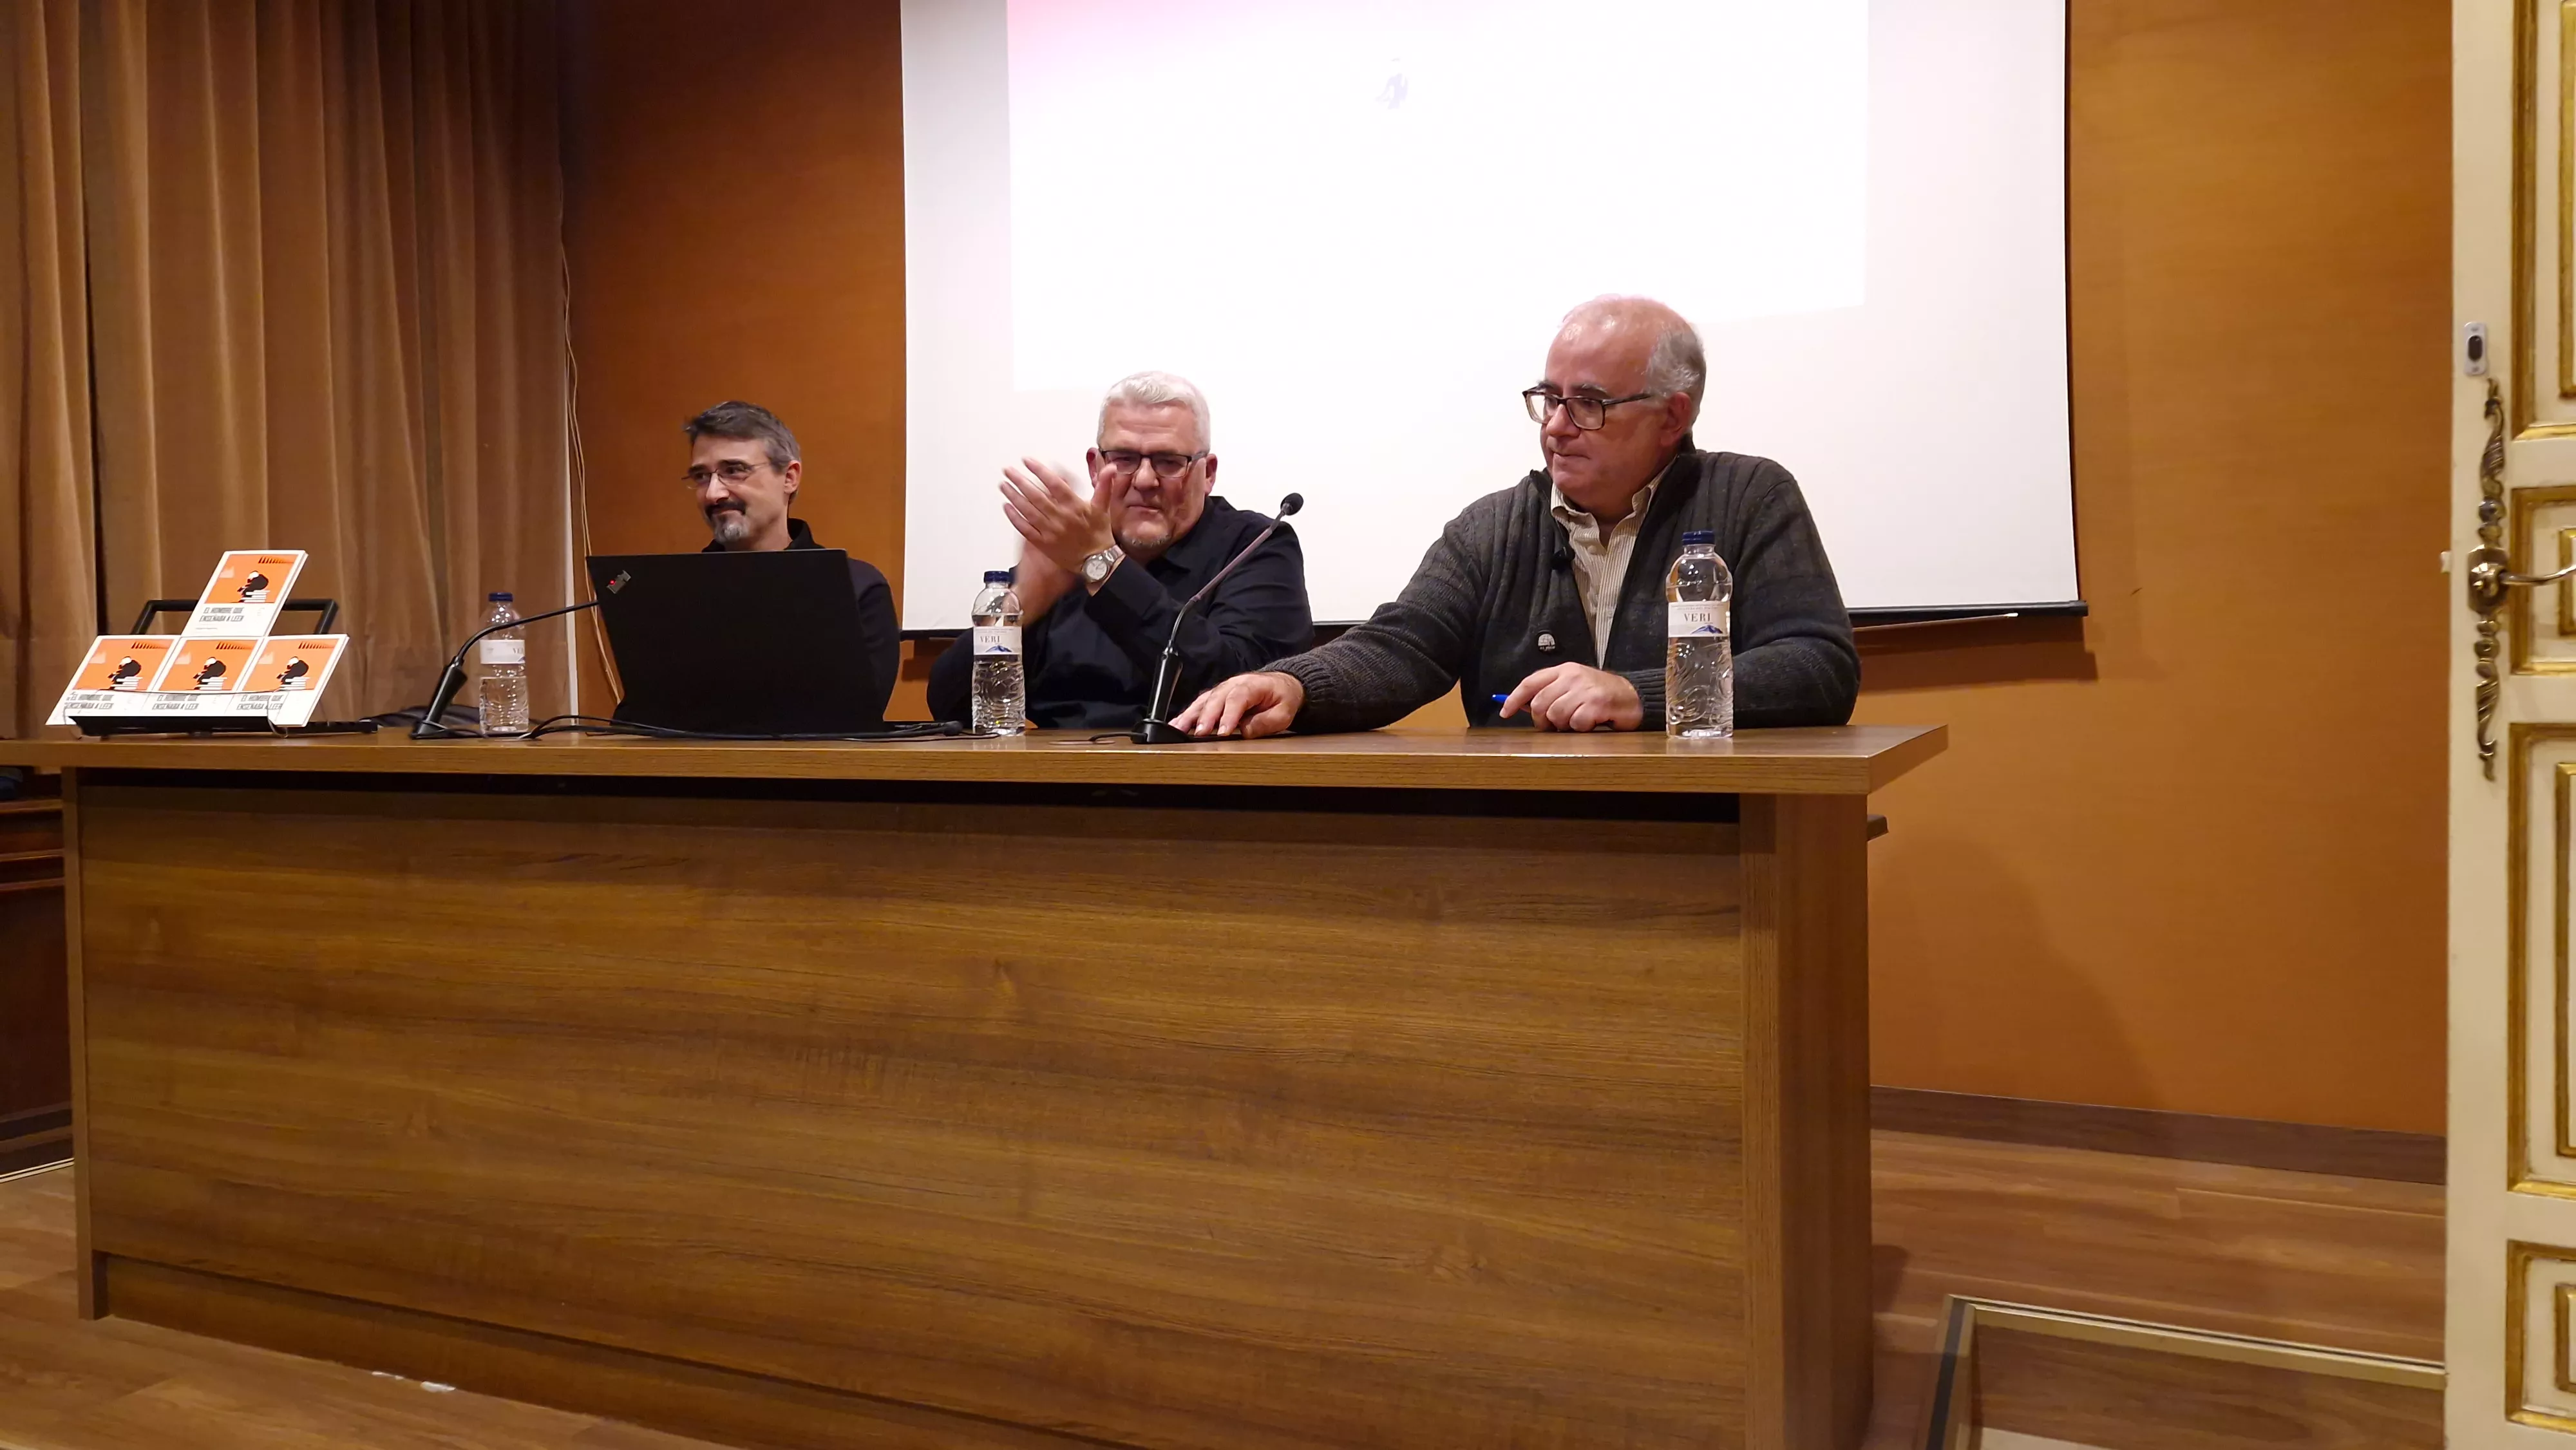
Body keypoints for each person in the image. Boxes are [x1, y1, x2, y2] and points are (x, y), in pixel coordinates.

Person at [1172, 296, 1857, 738]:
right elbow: (1400, 648)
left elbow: (1817, 666)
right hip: (1525, 834)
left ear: (1670, 416)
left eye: (1588, 402)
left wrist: (1637, 693)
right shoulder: (1493, 529)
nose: (1556, 426)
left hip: (1714, 831)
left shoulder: (1749, 496)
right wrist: (1294, 682)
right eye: (1547, 398)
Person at [927, 372, 1312, 730]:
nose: (1145, 480)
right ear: (1096, 467)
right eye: (1125, 459)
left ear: (1207, 473)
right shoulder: (1066, 552)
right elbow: (949, 704)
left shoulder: (1255, 545)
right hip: (1056, 783)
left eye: (1168, 461)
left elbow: (1236, 687)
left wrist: (1105, 567)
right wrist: (1024, 602)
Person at [683, 401, 899, 721]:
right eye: (702, 476)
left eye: (734, 471)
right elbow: (643, 713)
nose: (714, 493)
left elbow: (855, 719)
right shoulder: (679, 591)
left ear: (789, 477)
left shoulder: (856, 588)